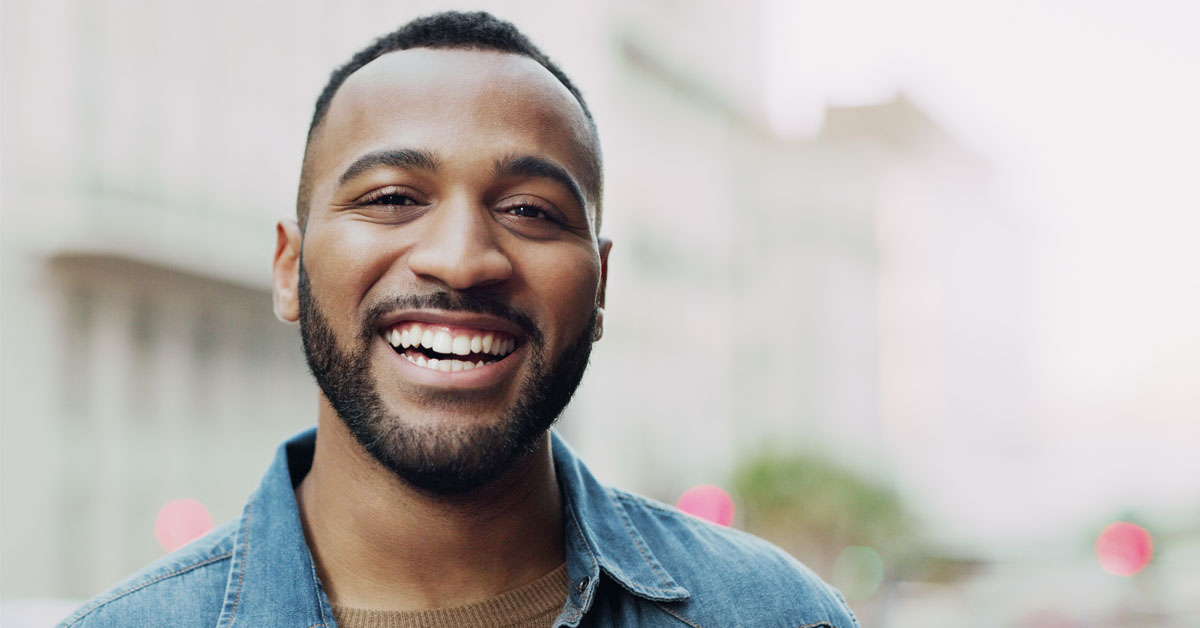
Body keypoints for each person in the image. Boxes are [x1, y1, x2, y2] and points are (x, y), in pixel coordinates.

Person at [59, 11, 859, 628]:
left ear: (603, 284)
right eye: (393, 199)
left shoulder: (781, 614)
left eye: (530, 210)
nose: (462, 258)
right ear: (288, 271)